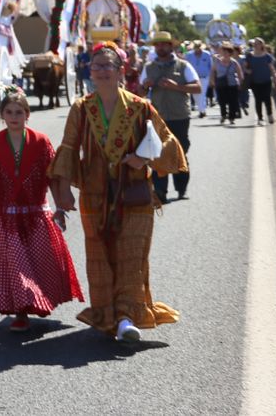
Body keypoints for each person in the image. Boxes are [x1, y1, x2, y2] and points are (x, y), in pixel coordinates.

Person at [50, 43, 186, 343]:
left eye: (106, 65)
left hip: (134, 193)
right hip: (94, 195)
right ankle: (107, 314)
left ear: (120, 71)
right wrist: (63, 194)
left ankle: (126, 318)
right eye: (95, 65)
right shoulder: (82, 107)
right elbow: (69, 147)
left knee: (131, 256)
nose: (99, 70)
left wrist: (143, 157)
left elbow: (167, 142)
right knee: (100, 257)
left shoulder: (140, 107)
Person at [0, 87, 82, 331]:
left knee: (39, 262)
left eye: (19, 112)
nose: (14, 116)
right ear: (2, 115)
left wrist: (60, 206)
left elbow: (52, 176)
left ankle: (38, 300)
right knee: (17, 266)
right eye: (9, 112)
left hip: (37, 213)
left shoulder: (42, 142)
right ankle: (22, 311)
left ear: (27, 114)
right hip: (7, 216)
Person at [140, 32, 200, 202]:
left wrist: (177, 86)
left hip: (180, 116)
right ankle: (160, 192)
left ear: (171, 46)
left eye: (163, 44)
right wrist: (145, 86)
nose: (160, 47)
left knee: (180, 151)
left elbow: (198, 88)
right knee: (158, 153)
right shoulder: (148, 67)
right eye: (157, 44)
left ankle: (181, 188)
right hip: (158, 117)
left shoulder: (183, 66)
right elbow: (139, 93)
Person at [244, 39, 276, 125]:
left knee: (267, 99)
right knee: (258, 100)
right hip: (255, 82)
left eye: (257, 44)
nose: (255, 45)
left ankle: (269, 115)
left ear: (262, 45)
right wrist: (248, 71)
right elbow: (245, 67)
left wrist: (275, 81)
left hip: (266, 81)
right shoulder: (250, 56)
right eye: (254, 44)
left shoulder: (267, 56)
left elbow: (272, 69)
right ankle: (260, 118)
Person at [213, 44, 246, 125]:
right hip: (221, 85)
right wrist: (212, 81)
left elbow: (239, 73)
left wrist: (240, 83)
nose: (224, 53)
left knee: (232, 102)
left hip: (232, 84)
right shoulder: (217, 61)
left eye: (226, 52)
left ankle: (231, 117)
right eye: (223, 51)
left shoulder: (234, 62)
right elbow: (212, 71)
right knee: (222, 101)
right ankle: (223, 115)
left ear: (230, 53)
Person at [185, 41, 214, 118]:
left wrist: (211, 78)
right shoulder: (189, 55)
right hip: (193, 78)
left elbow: (211, 66)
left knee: (202, 93)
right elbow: (185, 66)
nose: (197, 49)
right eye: (196, 47)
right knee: (195, 95)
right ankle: (201, 109)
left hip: (204, 77)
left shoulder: (207, 54)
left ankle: (202, 111)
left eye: (199, 47)